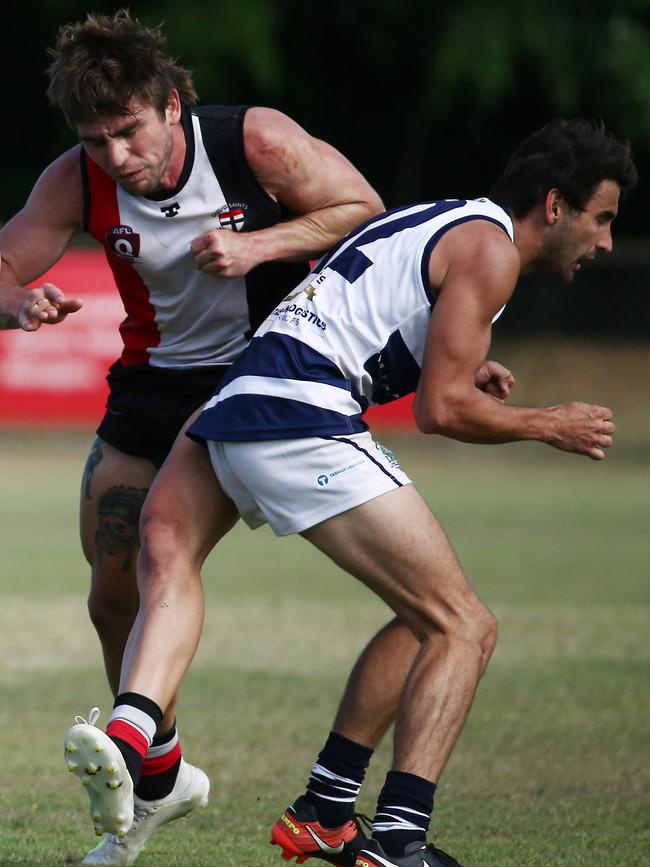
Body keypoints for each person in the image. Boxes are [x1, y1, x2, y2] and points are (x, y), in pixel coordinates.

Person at [64, 117, 636, 867]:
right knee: (464, 625)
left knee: (172, 556)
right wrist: (545, 423)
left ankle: (169, 746)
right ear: (555, 206)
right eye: (603, 219)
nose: (607, 242)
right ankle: (400, 838)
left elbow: (364, 316)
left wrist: (447, 361)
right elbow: (442, 410)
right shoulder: (491, 250)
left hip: (232, 400)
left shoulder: (442, 216)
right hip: (300, 415)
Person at [0, 8, 384, 865]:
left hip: (262, 373)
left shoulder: (256, 143)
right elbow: (5, 264)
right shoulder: (79, 176)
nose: (116, 157)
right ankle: (164, 775)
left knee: (164, 548)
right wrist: (21, 303)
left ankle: (137, 753)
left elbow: (364, 207)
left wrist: (265, 247)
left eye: (128, 131)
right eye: (96, 139)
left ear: (171, 104)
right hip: (153, 385)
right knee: (110, 597)